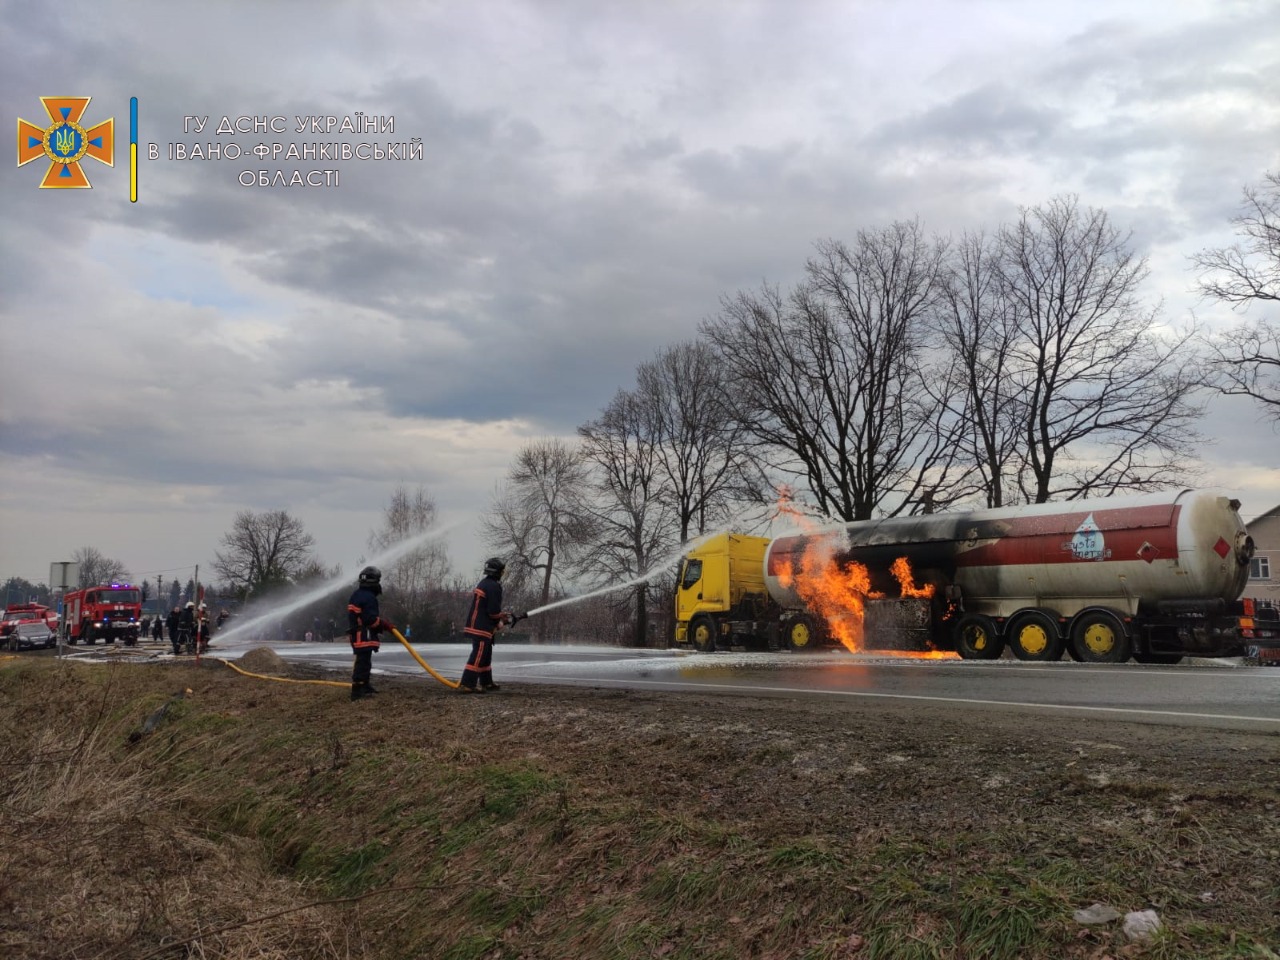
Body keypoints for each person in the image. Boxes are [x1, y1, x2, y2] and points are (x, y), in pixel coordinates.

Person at [458, 557, 513, 693]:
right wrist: (500, 620)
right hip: (481, 627)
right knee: (478, 655)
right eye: (502, 571)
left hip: (480, 625)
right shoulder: (494, 586)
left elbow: (487, 609)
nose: (503, 573)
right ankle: (467, 683)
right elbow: (493, 611)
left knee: (485, 655)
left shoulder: (485, 583)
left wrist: (499, 619)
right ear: (497, 572)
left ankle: (486, 682)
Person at [347, 565, 393, 701]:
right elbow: (370, 619)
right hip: (363, 634)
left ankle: (365, 685)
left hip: (358, 634)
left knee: (365, 661)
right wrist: (383, 624)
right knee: (362, 662)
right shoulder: (369, 597)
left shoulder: (357, 594)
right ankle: (357, 690)